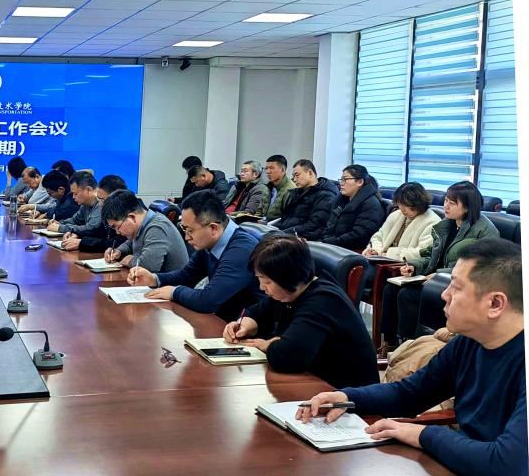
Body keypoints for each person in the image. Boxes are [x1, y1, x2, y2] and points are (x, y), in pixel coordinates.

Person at [299, 239, 525, 476]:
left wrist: (422, 434)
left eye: (456, 288)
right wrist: (347, 397)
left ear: (495, 303)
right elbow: (410, 394)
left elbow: (508, 465)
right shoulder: (470, 341)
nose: (444, 295)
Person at [224, 233, 379, 388]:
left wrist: (268, 345)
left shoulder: (323, 300)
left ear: (287, 276)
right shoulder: (290, 292)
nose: (261, 287)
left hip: (345, 392)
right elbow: (257, 312)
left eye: (267, 281)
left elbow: (288, 358)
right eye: (259, 279)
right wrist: (245, 325)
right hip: (312, 381)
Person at [380, 181, 499, 348]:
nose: (446, 206)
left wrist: (440, 274)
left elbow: (481, 267)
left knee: (407, 295)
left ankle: (410, 345)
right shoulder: (447, 225)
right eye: (446, 201)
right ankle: (389, 343)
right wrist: (414, 266)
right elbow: (430, 255)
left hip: (455, 284)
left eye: (452, 203)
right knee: (390, 289)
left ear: (467, 207)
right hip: (432, 279)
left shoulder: (485, 231)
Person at [127, 190, 262, 321]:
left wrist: (174, 292)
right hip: (222, 320)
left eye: (190, 231)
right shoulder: (210, 242)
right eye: (184, 229)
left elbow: (208, 300)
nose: (186, 237)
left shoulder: (241, 250)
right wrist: (153, 279)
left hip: (245, 328)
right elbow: (186, 276)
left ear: (213, 228)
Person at [101, 190, 188, 274]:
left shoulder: (157, 228)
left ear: (132, 217)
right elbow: (132, 242)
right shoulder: (143, 223)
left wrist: (129, 260)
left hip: (172, 283)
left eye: (117, 227)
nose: (117, 232)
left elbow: (149, 266)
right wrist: (119, 251)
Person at [363, 182, 440, 261]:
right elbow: (378, 237)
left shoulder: (433, 222)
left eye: (407, 205)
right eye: (400, 204)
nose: (402, 209)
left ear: (418, 204)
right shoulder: (396, 214)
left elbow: (422, 252)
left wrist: (390, 254)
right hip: (382, 260)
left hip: (405, 265)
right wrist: (375, 250)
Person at [321, 164, 386, 251]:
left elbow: (359, 235)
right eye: (341, 179)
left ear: (360, 182)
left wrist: (331, 242)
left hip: (352, 249)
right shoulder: (341, 200)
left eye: (345, 179)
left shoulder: (371, 204)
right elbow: (329, 224)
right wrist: (325, 240)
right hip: (335, 245)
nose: (341, 183)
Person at [274, 159, 337, 240]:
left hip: (301, 239)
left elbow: (314, 225)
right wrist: (272, 229)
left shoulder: (326, 196)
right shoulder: (298, 194)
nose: (294, 180)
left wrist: (283, 233)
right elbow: (286, 218)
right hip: (287, 234)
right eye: (293, 176)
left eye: (297, 175)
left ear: (310, 173)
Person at [64, 174, 127, 252]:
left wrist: (82, 243)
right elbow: (97, 232)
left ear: (117, 197)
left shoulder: (128, 213)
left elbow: (117, 242)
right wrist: (77, 235)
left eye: (103, 200)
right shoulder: (110, 212)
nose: (100, 204)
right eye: (99, 199)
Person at [48, 171, 103, 238]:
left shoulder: (101, 203)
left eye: (76, 194)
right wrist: (59, 223)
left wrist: (61, 228)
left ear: (88, 190)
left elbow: (91, 228)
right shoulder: (85, 204)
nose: (73, 197)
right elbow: (74, 220)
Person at [263, 154, 295, 221]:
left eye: (271, 168)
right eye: (266, 168)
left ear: (282, 170)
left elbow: (287, 218)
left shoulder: (291, 190)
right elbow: (259, 211)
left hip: (276, 226)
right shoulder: (268, 187)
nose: (268, 172)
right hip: (262, 223)